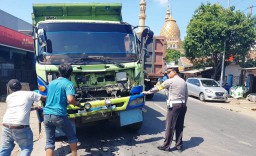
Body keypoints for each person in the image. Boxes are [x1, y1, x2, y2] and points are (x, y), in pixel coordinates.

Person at [143, 67, 188, 152]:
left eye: (168, 72)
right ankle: (179, 145)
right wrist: (184, 105)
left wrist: (148, 92)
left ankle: (166, 146)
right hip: (182, 106)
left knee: (170, 126)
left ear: (174, 72)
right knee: (179, 126)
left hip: (174, 106)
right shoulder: (183, 81)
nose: (167, 74)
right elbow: (186, 95)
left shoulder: (170, 81)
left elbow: (158, 88)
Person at [0, 79, 46, 156]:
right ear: (21, 86)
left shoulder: (9, 97)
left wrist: (34, 108)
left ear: (10, 88)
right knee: (26, 148)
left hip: (6, 125)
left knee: (6, 148)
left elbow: (17, 108)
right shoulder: (30, 94)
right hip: (20, 126)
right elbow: (44, 98)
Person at [43, 64, 80, 156]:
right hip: (59, 115)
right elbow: (70, 99)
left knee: (49, 142)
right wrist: (77, 103)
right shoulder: (68, 84)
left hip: (47, 114)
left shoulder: (51, 83)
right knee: (72, 137)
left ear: (59, 73)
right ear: (70, 74)